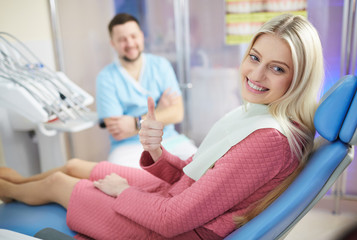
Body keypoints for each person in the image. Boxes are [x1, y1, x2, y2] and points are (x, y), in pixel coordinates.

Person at [0, 14, 324, 239]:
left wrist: (123, 191)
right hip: (175, 197)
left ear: (299, 78)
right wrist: (156, 151)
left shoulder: (270, 139)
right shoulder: (260, 115)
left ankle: (9, 189)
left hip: (171, 230)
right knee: (75, 164)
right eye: (254, 57)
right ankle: (16, 180)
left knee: (59, 181)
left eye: (277, 68)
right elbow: (195, 173)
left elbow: (173, 221)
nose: (256, 75)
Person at [96, 13, 197, 168]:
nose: (129, 43)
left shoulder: (160, 65)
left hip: (169, 140)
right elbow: (119, 130)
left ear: (141, 37)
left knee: (199, 168)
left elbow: (177, 113)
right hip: (128, 148)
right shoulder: (106, 77)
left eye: (133, 36)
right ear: (113, 44)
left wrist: (135, 123)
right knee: (129, 182)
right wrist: (161, 111)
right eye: (122, 39)